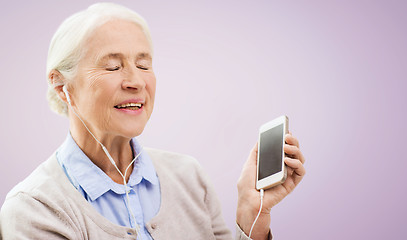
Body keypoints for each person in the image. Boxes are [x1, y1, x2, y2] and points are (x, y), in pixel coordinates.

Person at [0, 3, 305, 240]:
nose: (135, 80)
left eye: (143, 64)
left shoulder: (189, 177)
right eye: (112, 66)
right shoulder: (34, 209)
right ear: (61, 86)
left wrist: (252, 216)